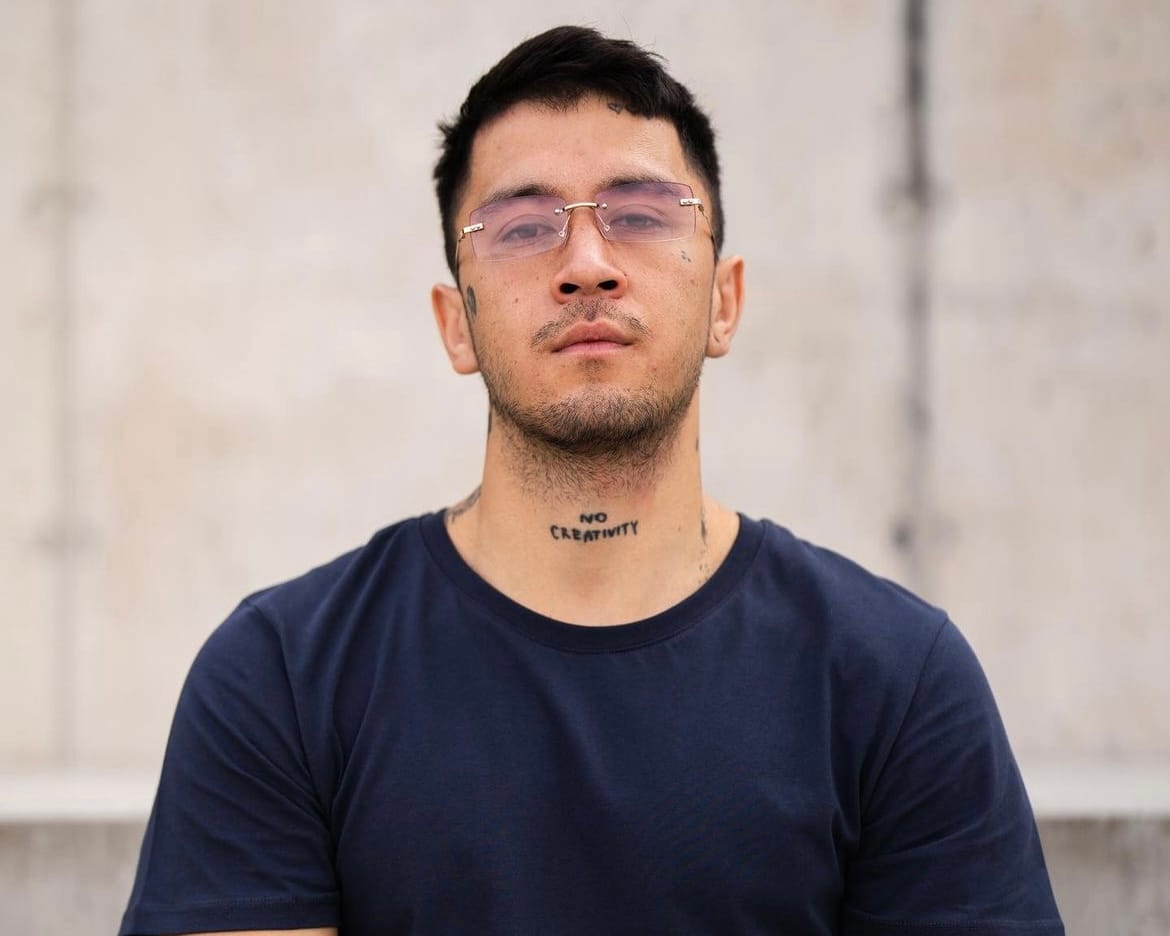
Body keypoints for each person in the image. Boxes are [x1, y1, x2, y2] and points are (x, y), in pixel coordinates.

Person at [121, 24, 1064, 936]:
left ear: (724, 301)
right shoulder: (283, 677)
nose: (586, 265)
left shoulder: (896, 680)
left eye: (642, 215)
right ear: (457, 323)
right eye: (522, 226)